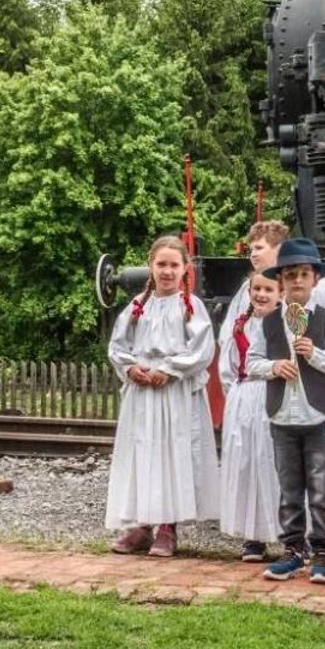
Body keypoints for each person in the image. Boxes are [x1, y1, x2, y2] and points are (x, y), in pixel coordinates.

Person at [245, 237, 325, 583]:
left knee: (322, 488)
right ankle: (293, 550)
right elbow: (251, 362)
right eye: (290, 275)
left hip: (319, 414)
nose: (297, 281)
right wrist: (274, 367)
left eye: (303, 274)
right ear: (282, 281)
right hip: (282, 415)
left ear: (314, 279)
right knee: (289, 487)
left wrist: (314, 355)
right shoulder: (269, 322)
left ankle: (323, 552)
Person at [105, 236, 219, 557]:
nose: (167, 271)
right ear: (151, 267)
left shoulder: (190, 307)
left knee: (172, 454)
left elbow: (201, 349)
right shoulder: (138, 306)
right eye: (161, 264)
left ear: (185, 269)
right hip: (143, 393)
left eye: (174, 265)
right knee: (142, 453)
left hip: (174, 392)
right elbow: (117, 346)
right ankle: (142, 524)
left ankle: (168, 526)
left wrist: (170, 369)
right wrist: (130, 369)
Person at [219, 270, 283, 562]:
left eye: (268, 289)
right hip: (246, 397)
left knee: (275, 464)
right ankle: (253, 536)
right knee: (247, 464)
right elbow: (228, 368)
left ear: (280, 293)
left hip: (276, 395)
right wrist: (236, 396)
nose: (261, 294)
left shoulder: (286, 325)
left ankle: (288, 535)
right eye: (256, 289)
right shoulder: (240, 326)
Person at [219, 221, 289, 355]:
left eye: (259, 248)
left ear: (279, 249)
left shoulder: (292, 288)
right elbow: (227, 331)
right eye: (251, 250)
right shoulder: (246, 287)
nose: (253, 255)